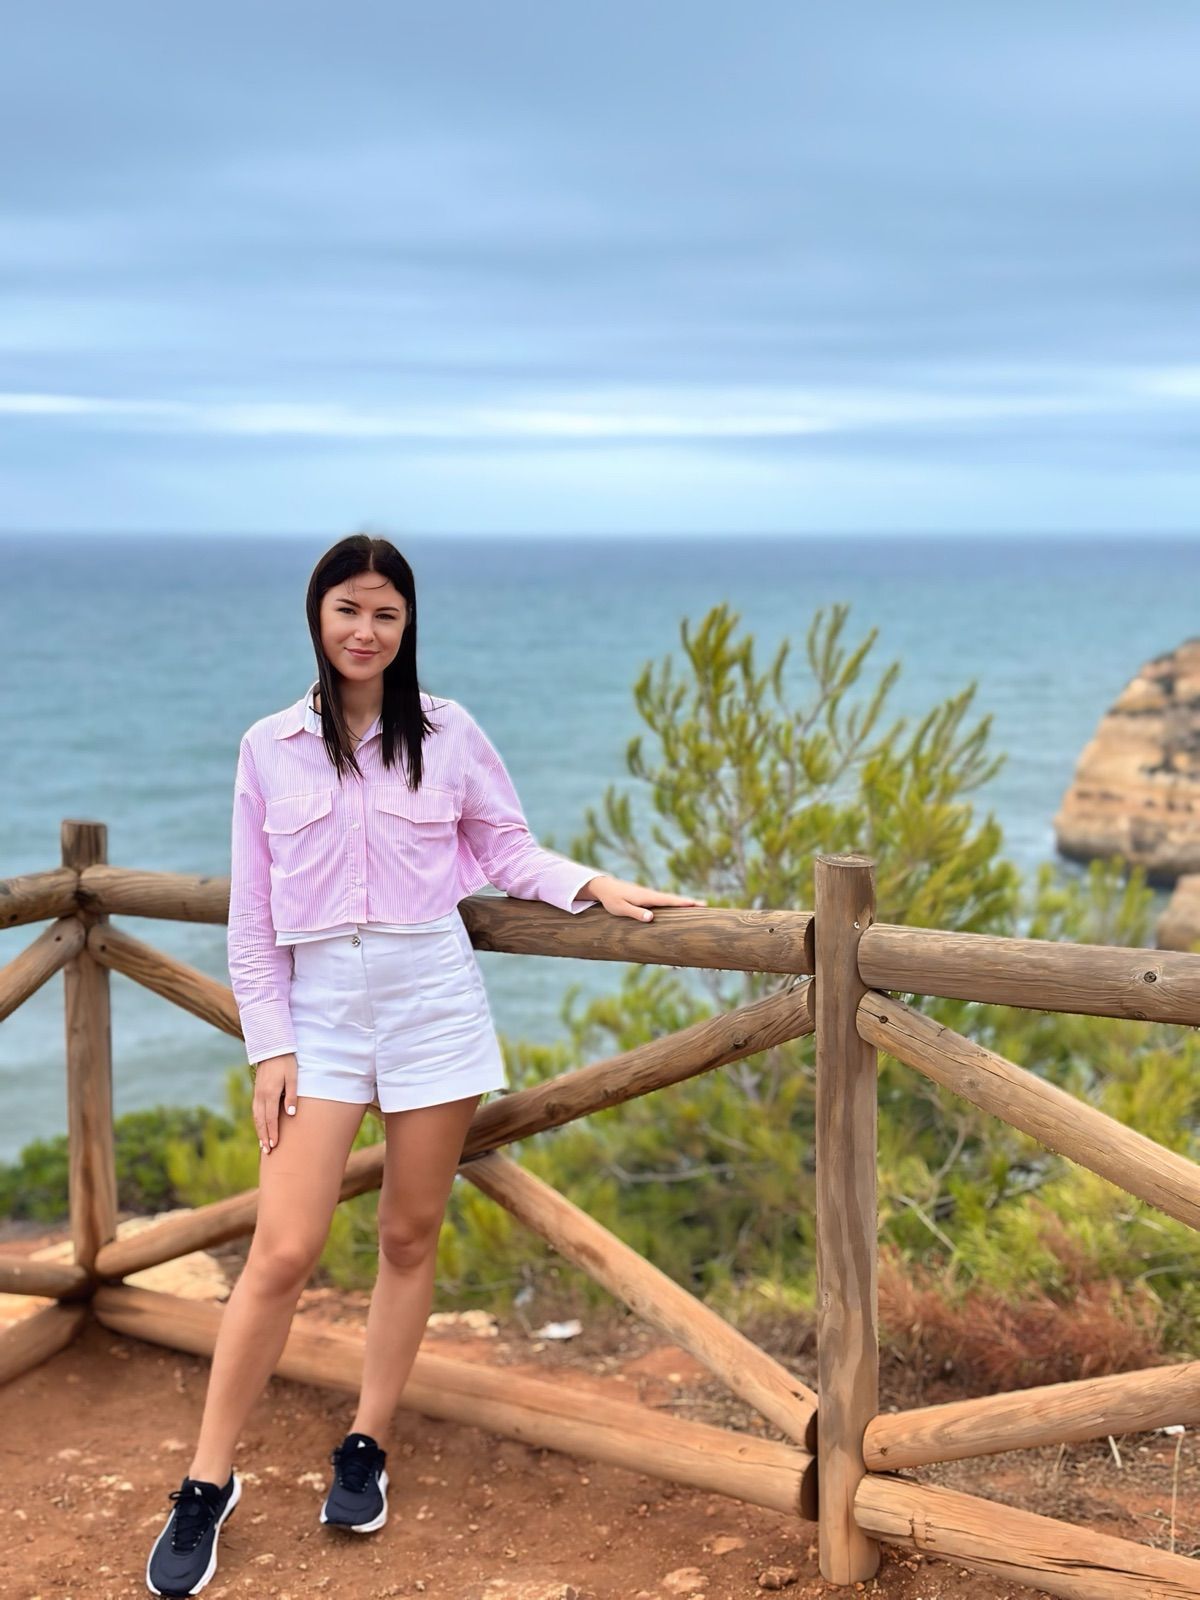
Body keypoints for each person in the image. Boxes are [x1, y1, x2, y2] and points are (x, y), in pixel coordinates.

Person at [144, 534, 704, 1597]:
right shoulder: (268, 747)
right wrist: (271, 1045)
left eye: (386, 614)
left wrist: (592, 885)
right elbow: (253, 922)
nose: (365, 630)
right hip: (319, 1015)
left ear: (407, 626)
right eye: (348, 609)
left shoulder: (448, 734)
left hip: (432, 1003)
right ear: (318, 616)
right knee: (282, 1249)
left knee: (408, 1235)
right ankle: (207, 1480)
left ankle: (366, 1442)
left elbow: (505, 849)